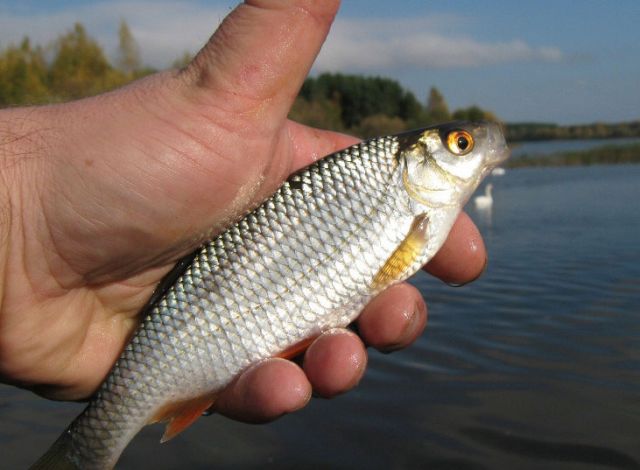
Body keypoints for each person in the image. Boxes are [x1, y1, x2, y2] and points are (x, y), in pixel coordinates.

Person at [0, 0, 486, 423]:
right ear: (416, 161)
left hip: (148, 330)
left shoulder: (408, 200)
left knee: (311, 367)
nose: (475, 146)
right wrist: (26, 222)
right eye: (461, 144)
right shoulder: (406, 200)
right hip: (166, 328)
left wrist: (22, 232)